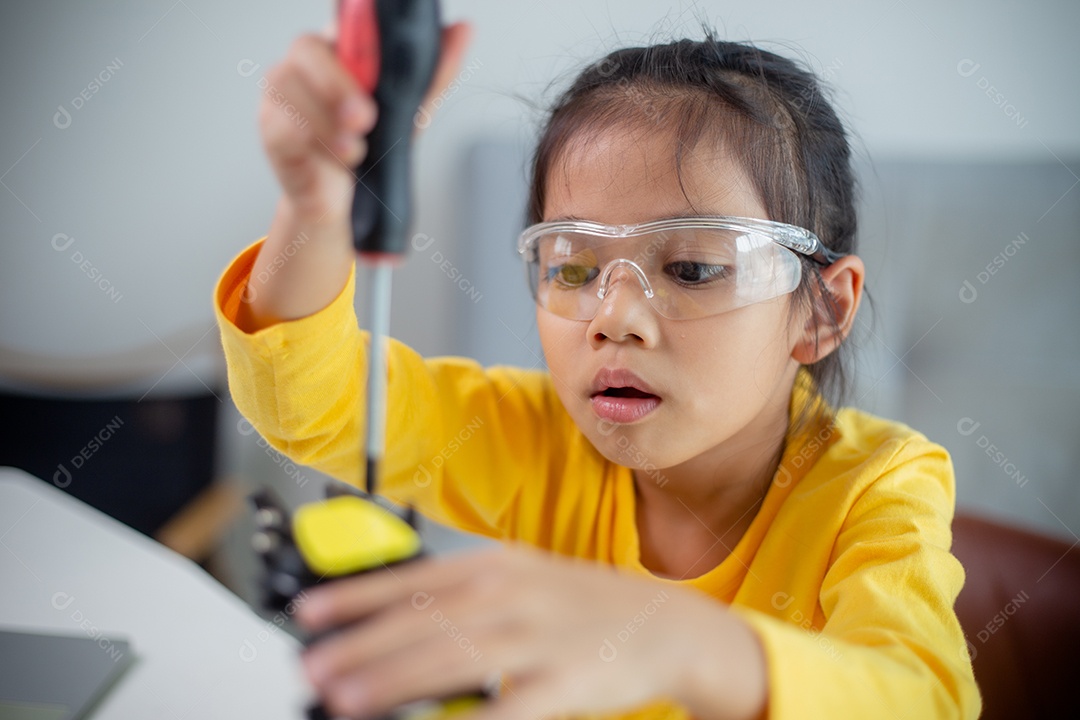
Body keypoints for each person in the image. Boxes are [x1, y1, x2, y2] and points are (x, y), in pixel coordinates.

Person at [214, 20, 981, 720]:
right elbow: (310, 402)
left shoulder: (876, 488)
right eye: (575, 269)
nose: (614, 318)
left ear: (821, 311)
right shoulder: (541, 438)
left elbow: (925, 701)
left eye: (691, 268)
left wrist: (685, 643)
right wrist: (315, 212)